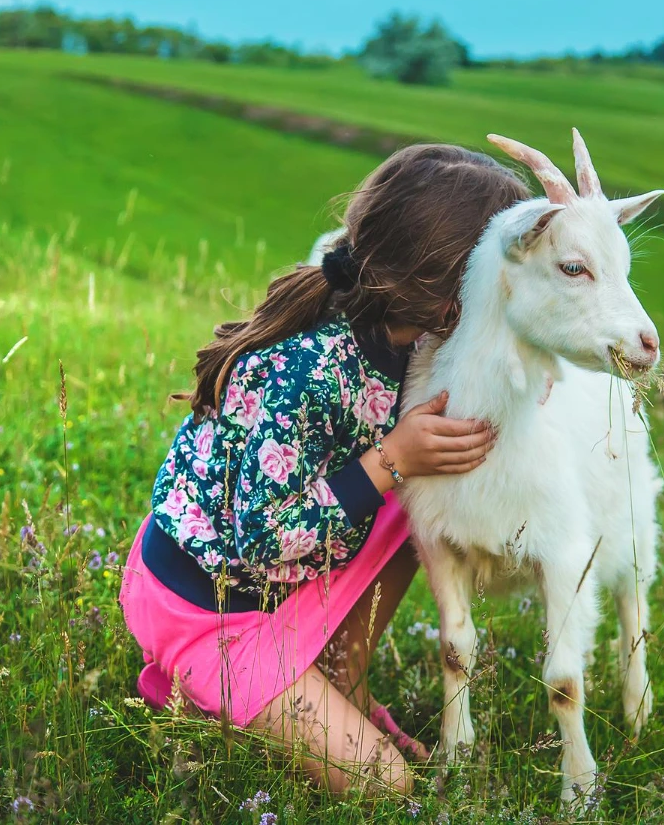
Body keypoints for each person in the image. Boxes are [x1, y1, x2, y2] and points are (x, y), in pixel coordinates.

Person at [118, 144, 531, 795]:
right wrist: (391, 460)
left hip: (287, 579)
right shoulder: (309, 368)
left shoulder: (416, 339)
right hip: (212, 610)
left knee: (422, 490)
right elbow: (261, 538)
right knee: (386, 785)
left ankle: (344, 676)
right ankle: (200, 693)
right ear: (450, 296)